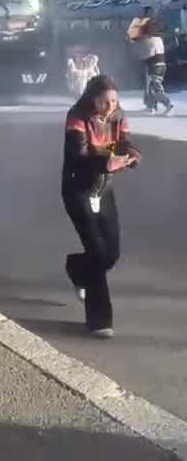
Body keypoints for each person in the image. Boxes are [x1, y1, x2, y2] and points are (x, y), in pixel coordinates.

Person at [62, 75, 140, 338]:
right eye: (104, 101)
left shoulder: (118, 116)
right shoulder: (77, 117)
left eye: (114, 101)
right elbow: (78, 154)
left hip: (103, 191)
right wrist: (107, 163)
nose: (110, 107)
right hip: (78, 191)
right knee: (97, 253)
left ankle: (76, 267)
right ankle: (99, 320)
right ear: (92, 99)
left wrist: (131, 154)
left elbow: (123, 142)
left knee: (111, 254)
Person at [132, 20, 173, 115]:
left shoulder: (150, 40)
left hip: (154, 65)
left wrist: (141, 56)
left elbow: (149, 53)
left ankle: (168, 104)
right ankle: (151, 107)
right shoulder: (158, 38)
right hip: (161, 64)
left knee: (155, 87)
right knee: (152, 87)